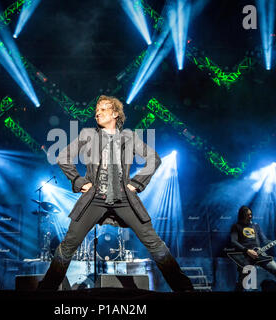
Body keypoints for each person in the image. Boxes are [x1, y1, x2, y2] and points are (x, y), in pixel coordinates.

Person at [38, 95, 193, 292]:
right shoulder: (88, 135)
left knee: (154, 242)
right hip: (94, 199)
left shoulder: (128, 137)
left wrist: (137, 183)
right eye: (97, 109)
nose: (97, 112)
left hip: (123, 199)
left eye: (103, 109)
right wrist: (79, 181)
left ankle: (184, 289)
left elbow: (153, 158)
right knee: (69, 244)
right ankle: (45, 291)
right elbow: (63, 157)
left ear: (115, 113)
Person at [230, 205, 276, 291]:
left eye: (251, 214)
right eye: (247, 215)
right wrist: (247, 251)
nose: (250, 216)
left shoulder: (255, 226)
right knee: (242, 283)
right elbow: (233, 241)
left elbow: (265, 240)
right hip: (245, 257)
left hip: (260, 254)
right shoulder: (236, 227)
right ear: (242, 215)